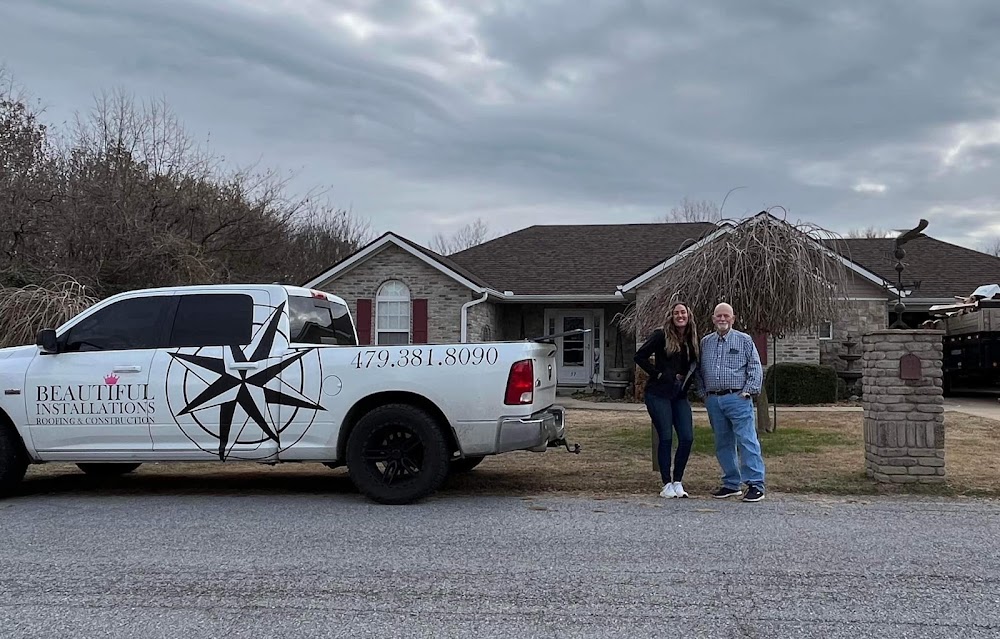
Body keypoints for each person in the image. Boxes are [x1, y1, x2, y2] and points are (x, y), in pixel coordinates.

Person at [695, 302, 766, 502]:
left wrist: (748, 391)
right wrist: (704, 394)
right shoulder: (705, 342)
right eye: (719, 316)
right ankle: (731, 483)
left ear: (733, 319)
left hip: (738, 399)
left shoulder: (744, 340)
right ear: (713, 318)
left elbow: (754, 367)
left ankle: (755, 484)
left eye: (726, 316)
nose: (722, 319)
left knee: (747, 440)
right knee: (723, 443)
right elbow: (699, 371)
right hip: (714, 400)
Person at [634, 301, 699, 498]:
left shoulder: (692, 338)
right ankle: (666, 483)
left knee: (687, 437)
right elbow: (640, 356)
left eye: (683, 312)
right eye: (676, 313)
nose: (680, 316)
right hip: (658, 393)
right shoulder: (661, 335)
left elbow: (694, 364)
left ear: (689, 315)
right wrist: (658, 374)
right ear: (671, 316)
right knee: (666, 437)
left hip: (679, 394)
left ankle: (678, 480)